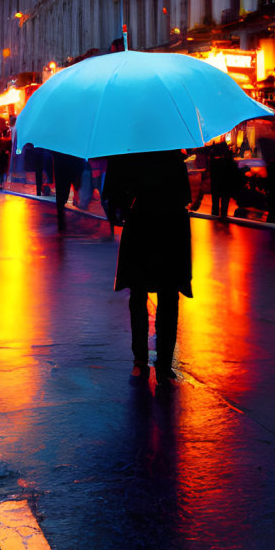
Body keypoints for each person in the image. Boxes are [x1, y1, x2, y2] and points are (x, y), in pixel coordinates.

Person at [103, 150, 192, 383]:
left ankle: (140, 359)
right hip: (171, 230)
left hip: (141, 227)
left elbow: (115, 199)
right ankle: (163, 363)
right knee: (168, 297)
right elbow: (185, 196)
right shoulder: (174, 155)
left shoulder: (128, 154)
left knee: (139, 294)